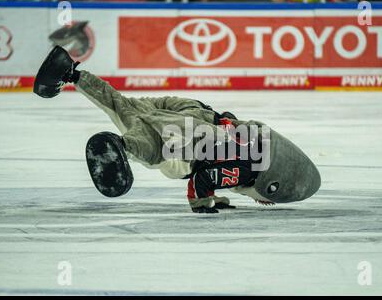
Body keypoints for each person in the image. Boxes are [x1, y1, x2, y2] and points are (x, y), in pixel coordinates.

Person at [33, 46, 321, 213]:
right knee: (156, 151)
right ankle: (122, 146)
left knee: (123, 105)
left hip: (198, 113)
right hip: (187, 145)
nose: (263, 203)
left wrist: (219, 196)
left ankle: (71, 72)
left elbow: (230, 138)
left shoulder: (250, 139)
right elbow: (204, 179)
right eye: (267, 198)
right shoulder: (248, 170)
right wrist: (203, 203)